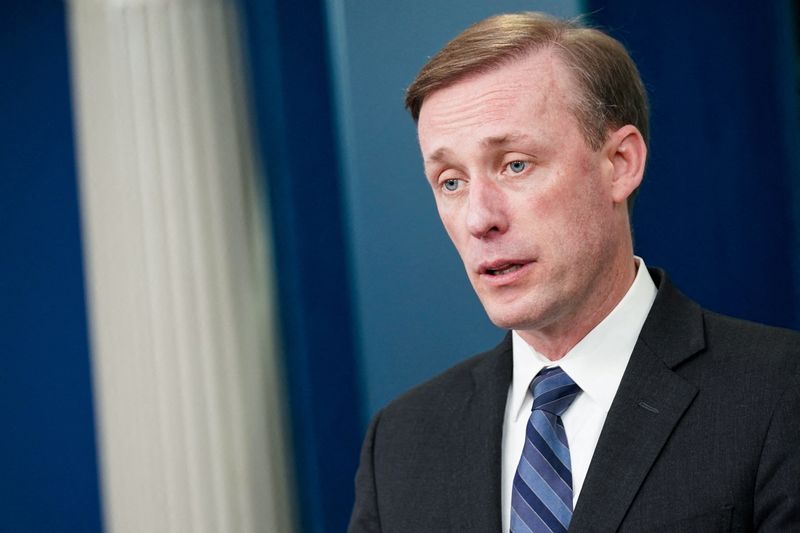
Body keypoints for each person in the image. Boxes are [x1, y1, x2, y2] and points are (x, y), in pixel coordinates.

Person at [348, 12, 799, 532]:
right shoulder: (401, 442)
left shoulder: (780, 395)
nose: (479, 218)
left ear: (620, 163)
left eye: (515, 164)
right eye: (450, 182)